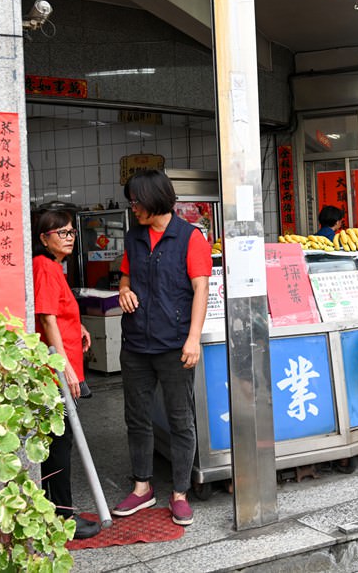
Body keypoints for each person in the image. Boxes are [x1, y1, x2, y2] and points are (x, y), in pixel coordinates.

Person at [111, 170, 212, 526]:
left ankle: (180, 493)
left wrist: (193, 337)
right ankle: (142, 488)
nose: (133, 208)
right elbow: (126, 275)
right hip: (136, 342)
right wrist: (124, 290)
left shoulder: (190, 238)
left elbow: (201, 289)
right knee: (136, 418)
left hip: (175, 344)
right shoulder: (134, 236)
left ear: (154, 199)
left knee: (180, 419)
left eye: (136, 202)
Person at [31, 209, 101, 540]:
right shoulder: (44, 266)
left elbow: (58, 311)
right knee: (60, 443)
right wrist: (66, 367)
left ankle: (59, 513)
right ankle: (62, 520)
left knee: (61, 441)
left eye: (71, 231)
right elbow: (45, 318)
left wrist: (79, 326)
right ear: (44, 238)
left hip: (62, 365)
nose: (70, 237)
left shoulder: (55, 266)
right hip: (54, 372)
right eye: (62, 232)